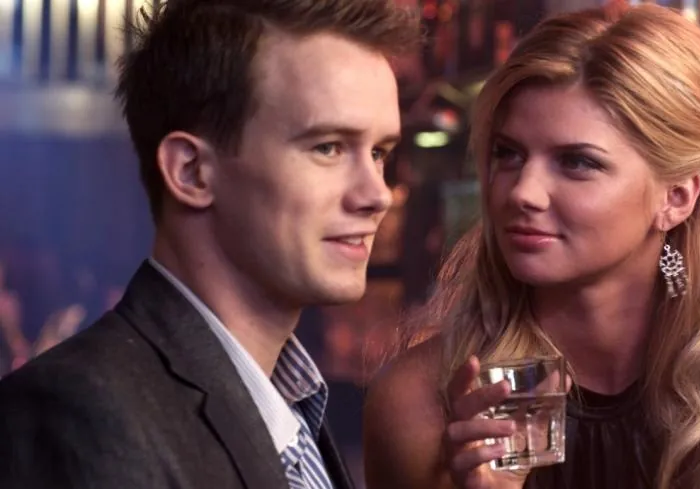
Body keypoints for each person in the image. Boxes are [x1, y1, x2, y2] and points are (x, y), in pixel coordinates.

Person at [0, 1, 419, 488]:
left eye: (379, 153)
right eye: (328, 147)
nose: (377, 194)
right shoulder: (79, 414)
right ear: (192, 171)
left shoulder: (293, 401)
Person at [363, 4, 700, 489]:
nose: (522, 191)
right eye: (508, 154)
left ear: (676, 198)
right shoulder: (421, 403)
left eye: (577, 162)